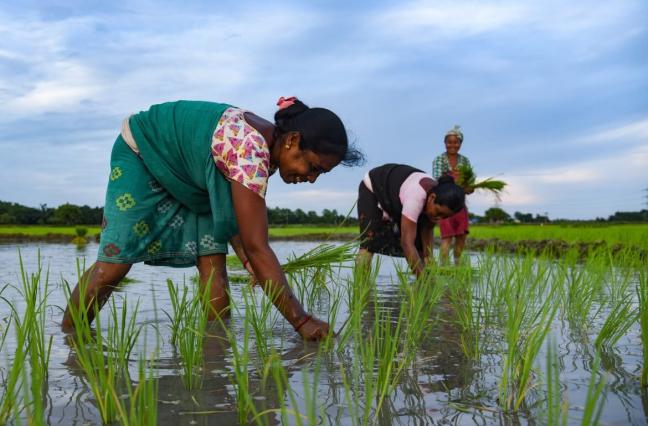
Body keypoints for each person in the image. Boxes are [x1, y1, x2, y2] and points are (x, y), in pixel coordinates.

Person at [62, 97, 364, 341]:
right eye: (311, 166)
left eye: (319, 174)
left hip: (195, 177)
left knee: (212, 261)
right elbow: (257, 245)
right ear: (292, 141)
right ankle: (68, 340)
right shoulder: (251, 152)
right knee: (115, 263)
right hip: (142, 151)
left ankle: (215, 354)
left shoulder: (266, 151)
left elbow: (239, 225)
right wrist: (302, 320)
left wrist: (249, 261)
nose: (310, 178)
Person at [356, 163, 465, 277]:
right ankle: (360, 288)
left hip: (396, 196)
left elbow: (427, 230)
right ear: (432, 198)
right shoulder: (416, 197)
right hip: (375, 187)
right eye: (439, 212)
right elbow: (406, 243)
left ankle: (422, 287)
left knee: (420, 249)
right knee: (368, 244)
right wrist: (424, 281)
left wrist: (429, 260)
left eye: (445, 216)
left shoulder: (436, 202)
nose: (439, 218)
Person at [432, 125, 474, 265]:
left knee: (461, 236)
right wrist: (455, 184)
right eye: (449, 142)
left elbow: (469, 181)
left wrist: (469, 188)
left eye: (456, 142)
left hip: (460, 204)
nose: (452, 145)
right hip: (445, 203)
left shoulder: (465, 161)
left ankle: (457, 264)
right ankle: (444, 266)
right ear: (445, 143)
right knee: (447, 237)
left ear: (460, 144)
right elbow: (438, 180)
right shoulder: (439, 160)